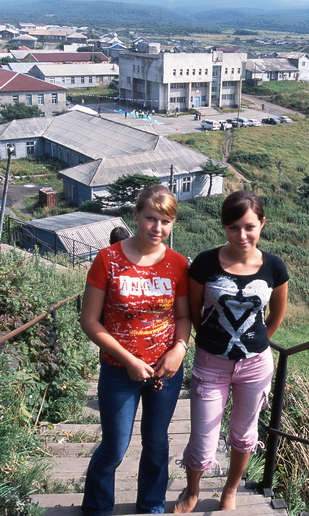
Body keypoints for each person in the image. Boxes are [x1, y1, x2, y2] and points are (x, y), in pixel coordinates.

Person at [174, 190, 288, 513]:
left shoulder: (274, 268)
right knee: (201, 441)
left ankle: (230, 489)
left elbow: (276, 314)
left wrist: (257, 342)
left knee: (244, 434)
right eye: (234, 227)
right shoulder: (206, 262)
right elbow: (194, 311)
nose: (242, 235)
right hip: (211, 365)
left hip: (255, 366)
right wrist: (210, 340)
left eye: (250, 226)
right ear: (224, 227)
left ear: (262, 224)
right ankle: (192, 490)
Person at [81, 184, 191, 516]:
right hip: (118, 370)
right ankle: (98, 508)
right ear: (135, 216)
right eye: (151, 218)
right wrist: (128, 360)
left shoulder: (177, 264)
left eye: (166, 221)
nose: (158, 228)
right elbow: (89, 321)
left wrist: (180, 349)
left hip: (166, 371)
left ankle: (151, 506)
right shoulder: (107, 260)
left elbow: (184, 315)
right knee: (115, 447)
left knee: (156, 444)